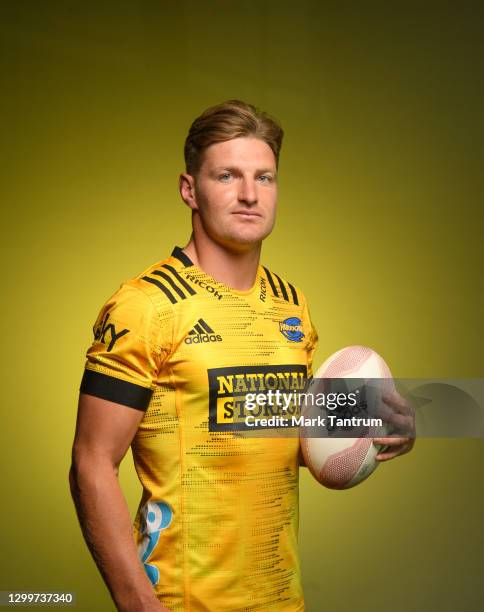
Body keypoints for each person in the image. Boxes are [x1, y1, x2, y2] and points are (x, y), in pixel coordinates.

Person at [69, 100, 414, 612]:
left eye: (265, 178)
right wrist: (136, 602)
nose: (250, 194)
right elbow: (90, 462)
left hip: (282, 599)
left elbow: (282, 436)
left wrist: (376, 425)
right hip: (182, 601)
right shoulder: (146, 305)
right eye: (227, 176)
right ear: (190, 189)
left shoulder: (290, 303)